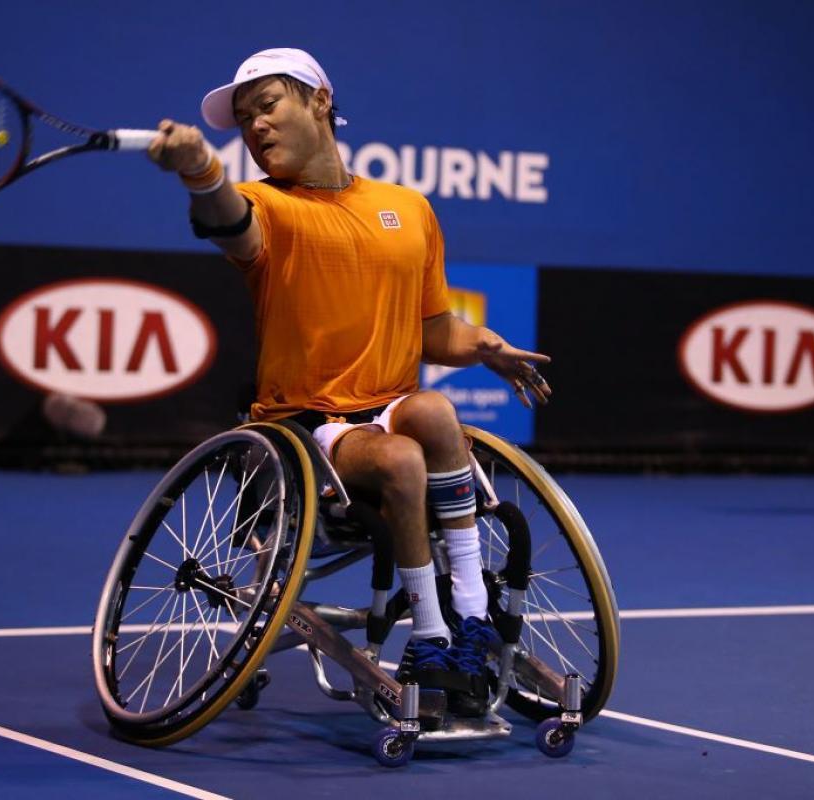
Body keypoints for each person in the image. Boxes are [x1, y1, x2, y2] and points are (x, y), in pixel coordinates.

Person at [149, 48, 551, 717]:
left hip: (390, 408)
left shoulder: (408, 208)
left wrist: (483, 346)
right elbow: (227, 221)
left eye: (268, 105)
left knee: (435, 414)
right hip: (304, 428)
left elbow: (430, 330)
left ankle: (473, 620)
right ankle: (429, 635)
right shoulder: (265, 205)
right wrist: (198, 168)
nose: (255, 127)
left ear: (320, 102)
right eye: (243, 120)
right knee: (399, 455)